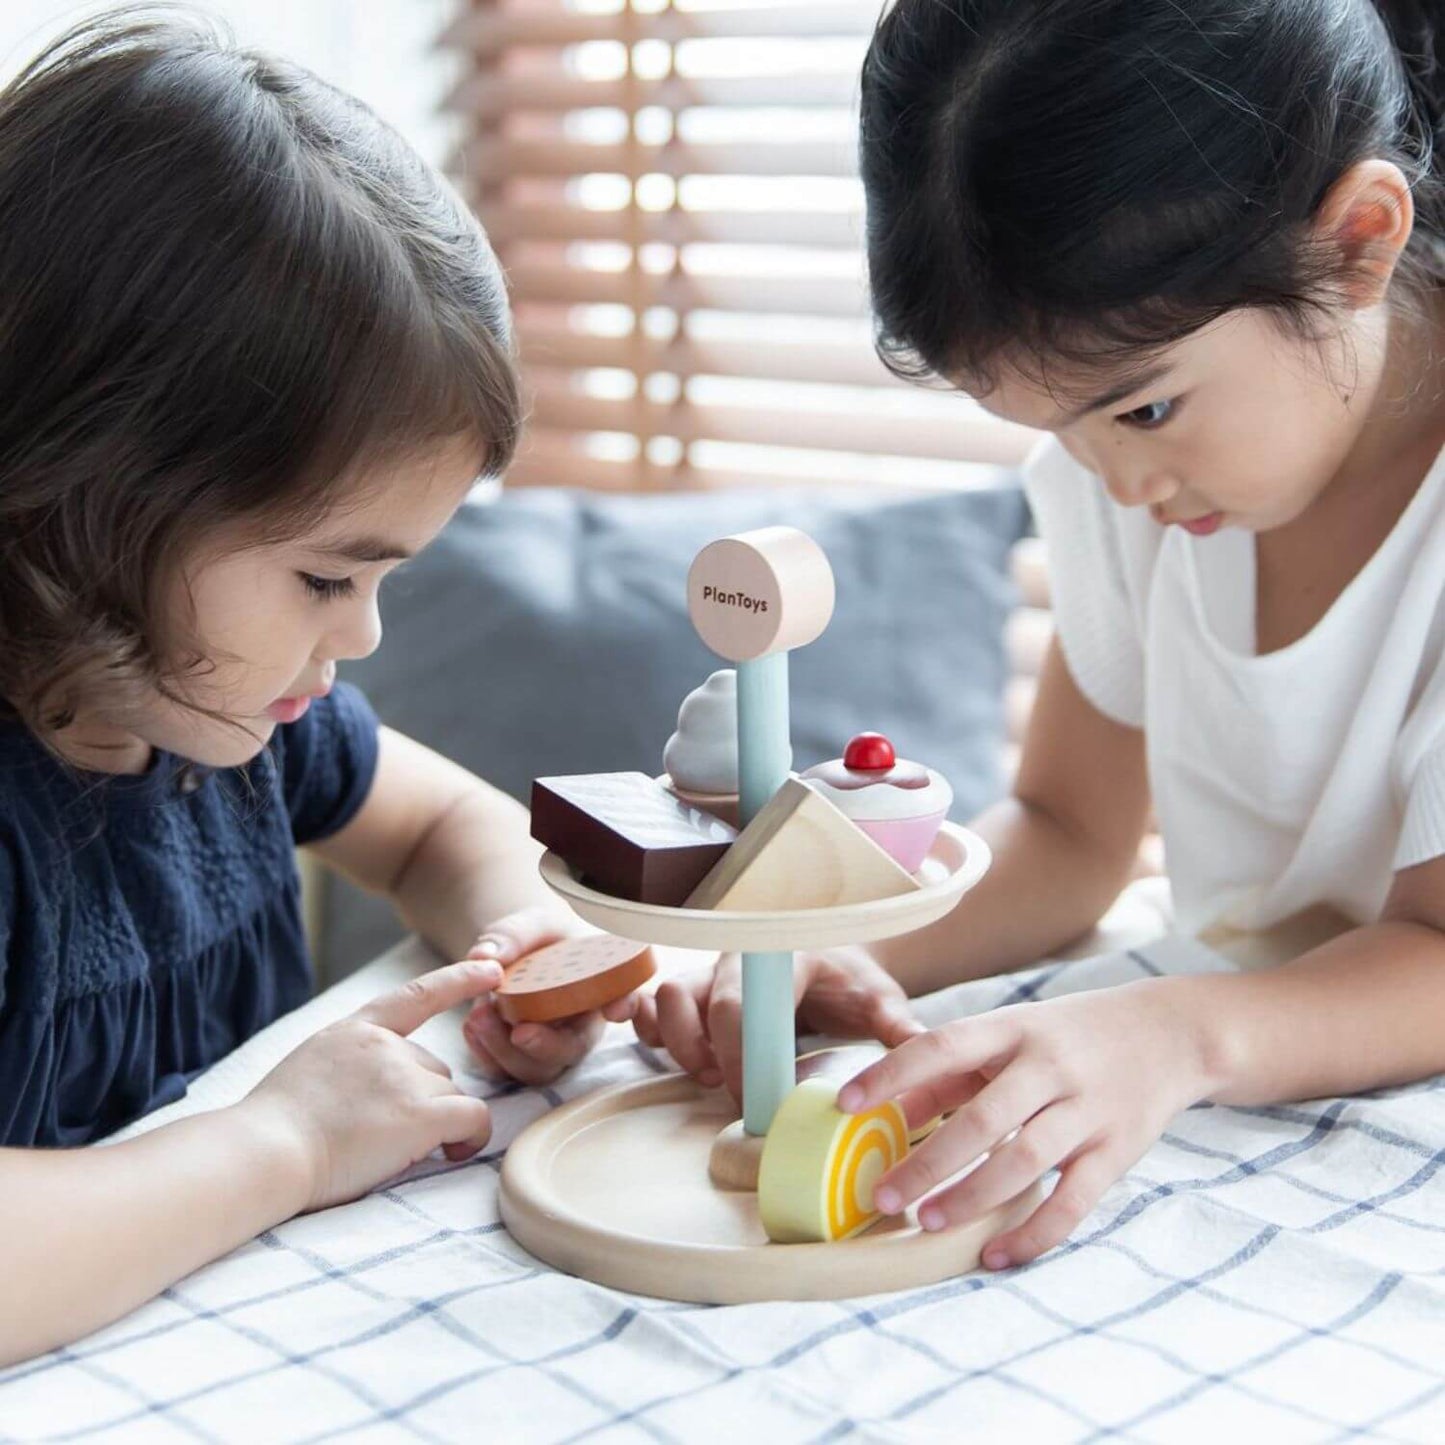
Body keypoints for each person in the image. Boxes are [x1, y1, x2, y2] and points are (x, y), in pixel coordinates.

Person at [628, 0, 1445, 1272]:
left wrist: (1170, 1034)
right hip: (1223, 1058)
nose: (1110, 485)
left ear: (1354, 243)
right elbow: (1070, 835)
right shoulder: (1135, 470)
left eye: (1142, 407)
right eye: (1055, 427)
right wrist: (826, 947)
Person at [0, 12, 600, 1364]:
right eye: (327, 580)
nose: (364, 635)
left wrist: (519, 955)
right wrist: (283, 1139)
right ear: (91, 498)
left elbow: (451, 826)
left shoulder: (232, 710)